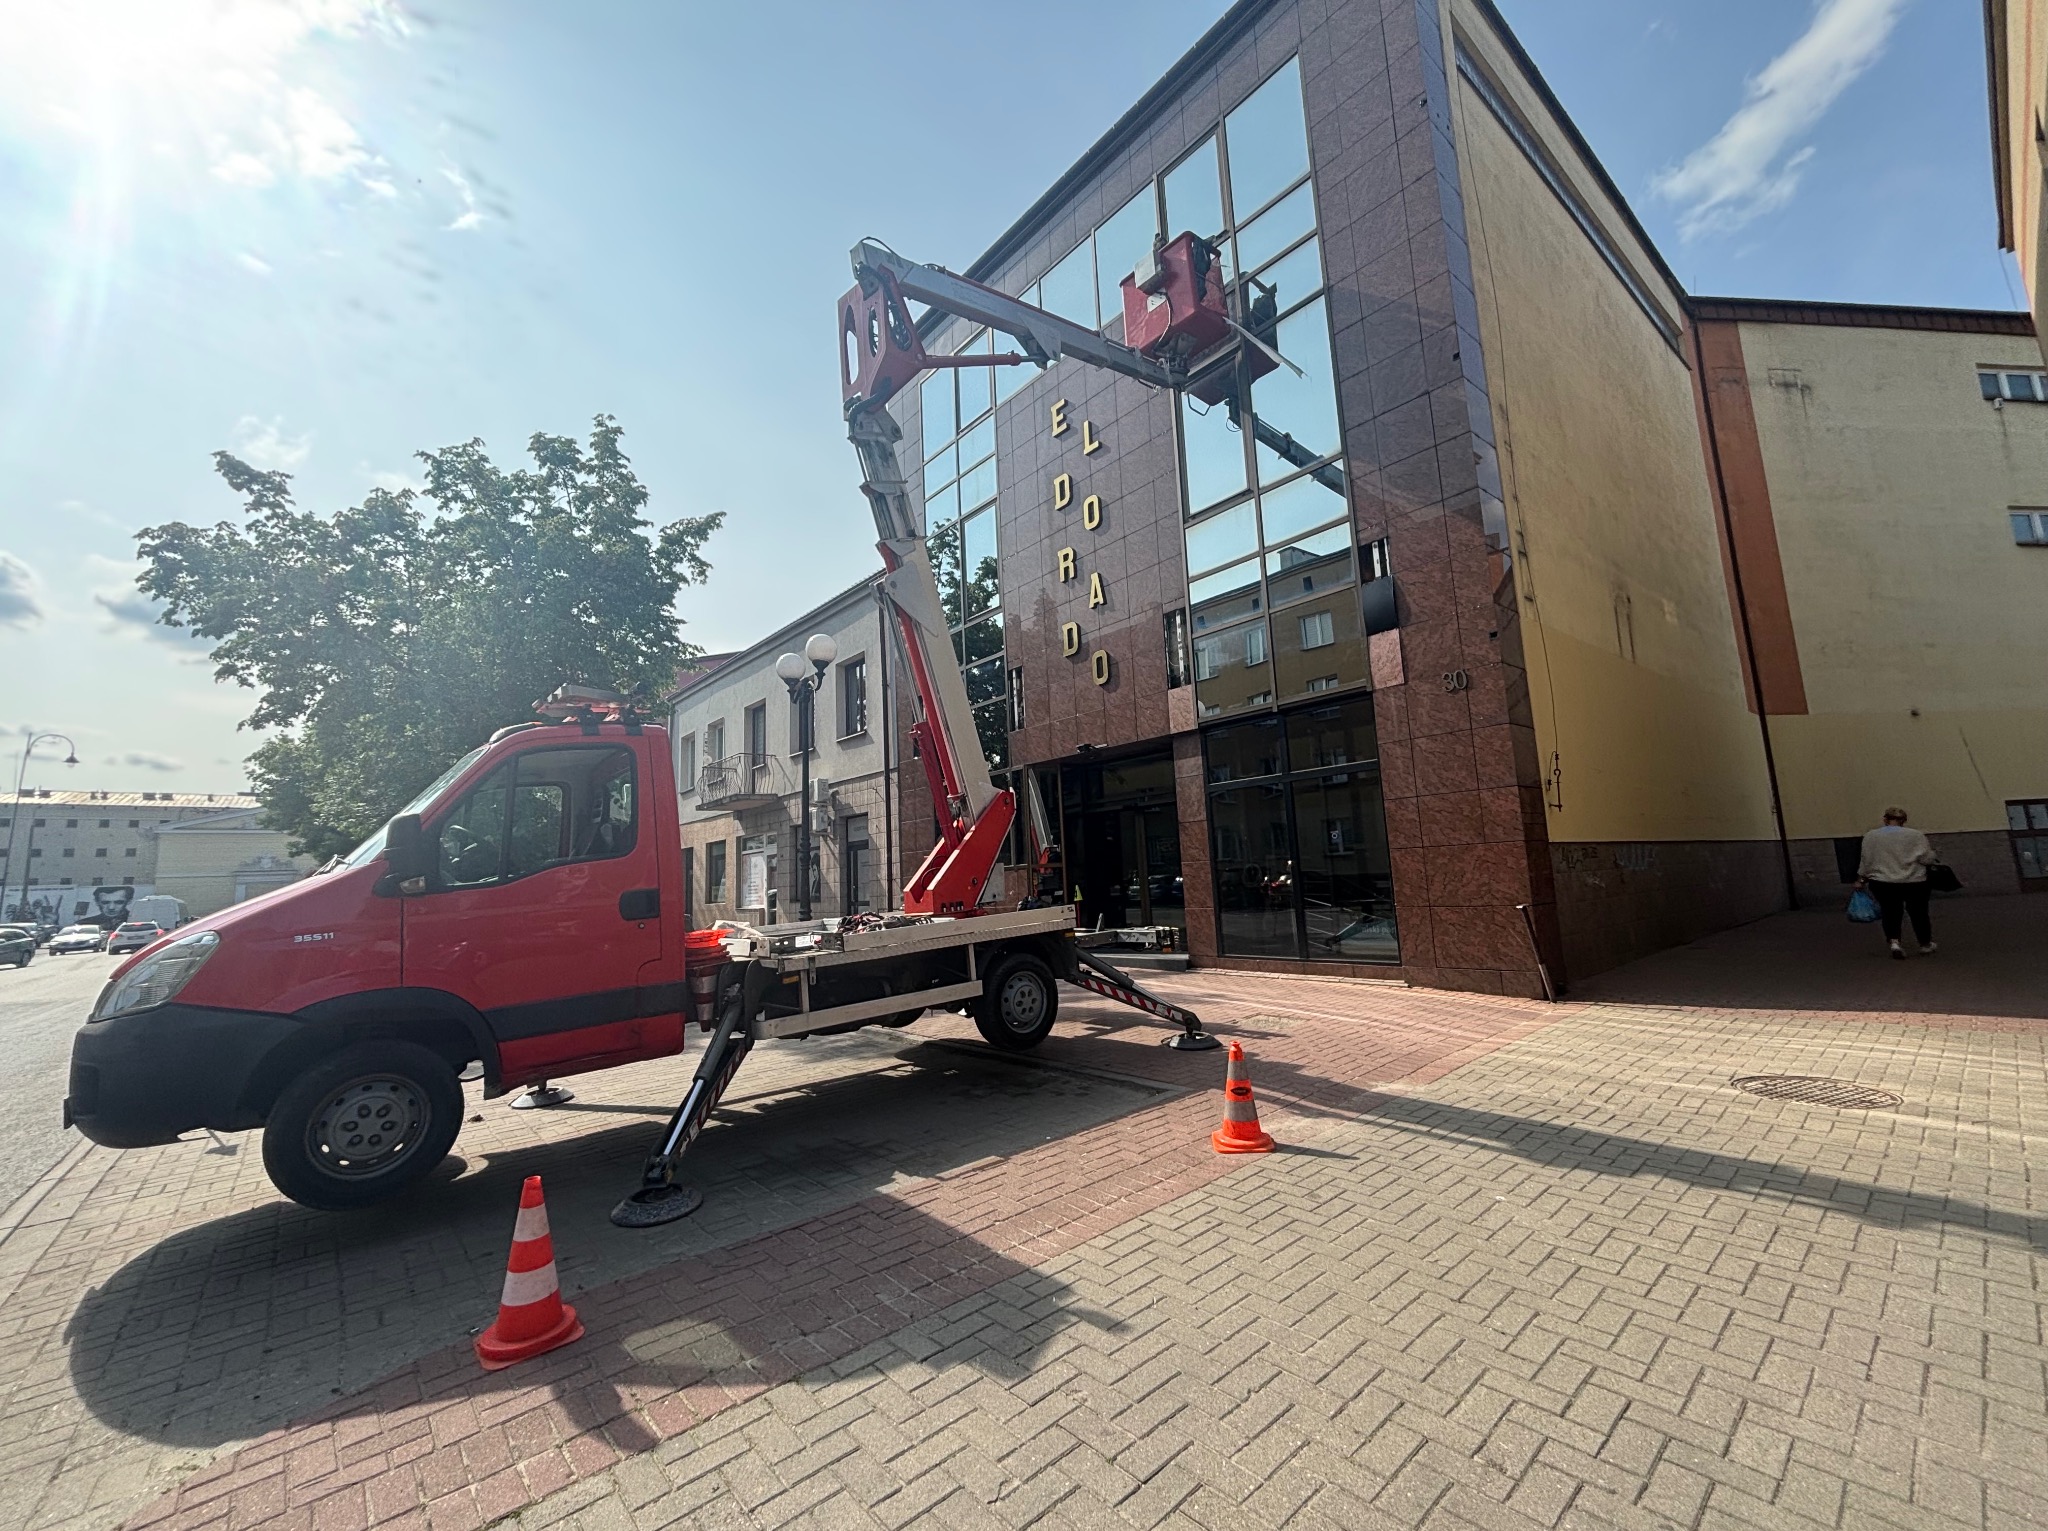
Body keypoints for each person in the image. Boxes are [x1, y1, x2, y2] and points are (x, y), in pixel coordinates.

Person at [1856, 807, 1938, 959]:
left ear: (1885, 819)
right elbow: (1926, 859)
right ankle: (1925, 944)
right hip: (1914, 881)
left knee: (1890, 912)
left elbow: (1866, 859)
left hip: (1883, 881)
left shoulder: (1871, 836)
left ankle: (1895, 943)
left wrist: (1861, 878)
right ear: (1904, 821)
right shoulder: (1916, 835)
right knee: (1918, 913)